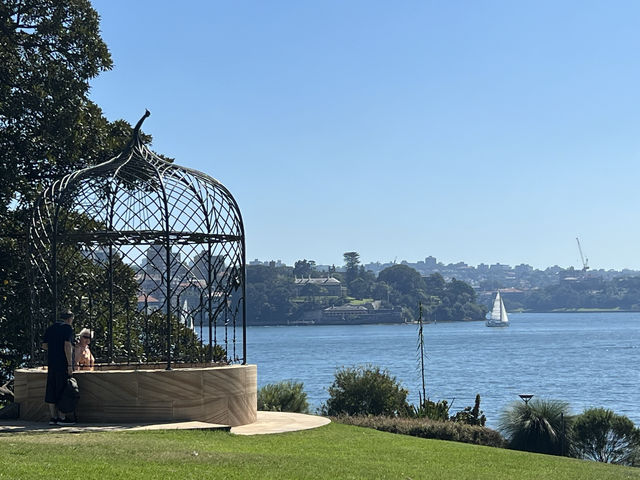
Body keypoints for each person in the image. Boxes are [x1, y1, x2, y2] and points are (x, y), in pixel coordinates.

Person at [42, 310, 75, 426]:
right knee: (62, 389)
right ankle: (62, 417)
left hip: (51, 363)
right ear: (69, 318)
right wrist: (70, 364)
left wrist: (53, 349)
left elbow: (44, 345)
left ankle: (53, 417)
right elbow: (67, 345)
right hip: (62, 363)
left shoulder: (50, 328)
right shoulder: (67, 328)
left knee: (51, 388)